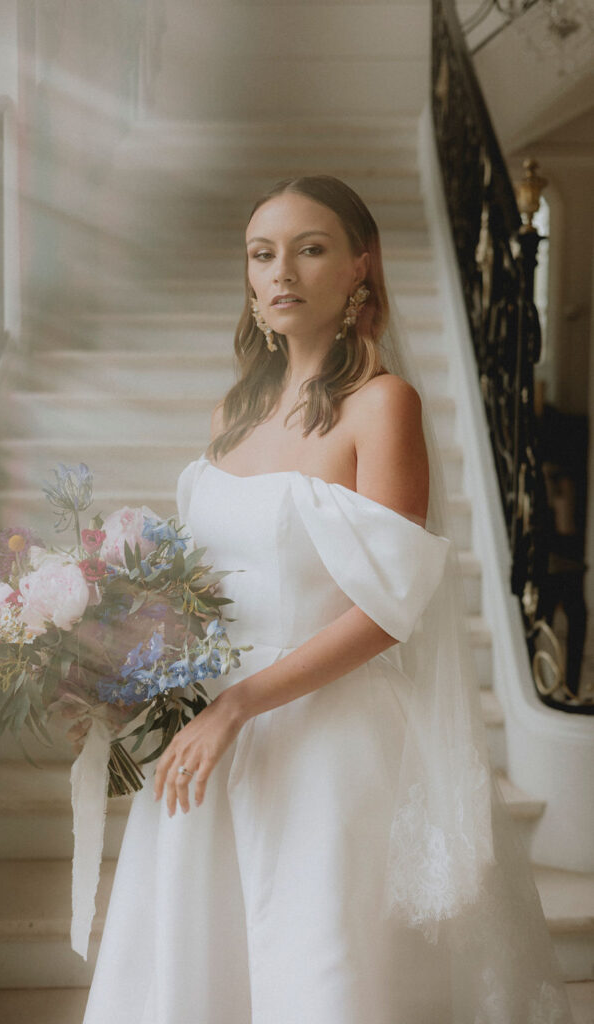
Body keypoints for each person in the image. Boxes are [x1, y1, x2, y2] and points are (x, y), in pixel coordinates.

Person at [82, 175, 574, 1023]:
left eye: (309, 249)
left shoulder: (382, 407)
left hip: (325, 740)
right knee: (200, 967)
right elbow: (202, 591)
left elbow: (389, 611)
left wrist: (238, 705)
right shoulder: (229, 415)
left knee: (315, 967)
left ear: (359, 266)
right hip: (208, 738)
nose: (282, 272)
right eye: (262, 254)